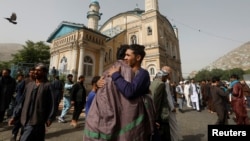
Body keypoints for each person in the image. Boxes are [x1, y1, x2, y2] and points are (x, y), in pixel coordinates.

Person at [84, 44, 154, 141]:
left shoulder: (142, 73)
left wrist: (115, 75)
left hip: (133, 119)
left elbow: (130, 91)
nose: (125, 58)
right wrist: (100, 82)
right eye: (125, 55)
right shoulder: (115, 72)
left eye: (128, 55)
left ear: (138, 57)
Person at [8, 63, 56, 141]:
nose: (36, 72)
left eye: (39, 71)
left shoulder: (48, 86)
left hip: (37, 119)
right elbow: (21, 102)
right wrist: (14, 116)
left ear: (44, 72)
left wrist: (50, 118)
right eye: (35, 70)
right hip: (24, 119)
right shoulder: (29, 85)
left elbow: (53, 104)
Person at [10, 68, 35, 141]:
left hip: (30, 105)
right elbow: (19, 91)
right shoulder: (25, 81)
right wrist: (20, 101)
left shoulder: (37, 82)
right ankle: (14, 134)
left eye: (34, 72)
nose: (33, 74)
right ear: (29, 73)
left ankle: (22, 135)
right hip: (21, 104)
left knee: (26, 122)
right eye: (31, 72)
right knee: (17, 121)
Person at [161, 66, 182, 141]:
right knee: (173, 126)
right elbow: (168, 97)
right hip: (168, 109)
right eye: (170, 73)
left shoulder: (163, 82)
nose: (171, 75)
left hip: (165, 108)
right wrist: (172, 107)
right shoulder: (165, 83)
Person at [150, 70, 171, 141]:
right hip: (162, 116)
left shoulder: (152, 83)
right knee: (165, 136)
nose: (166, 79)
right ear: (162, 77)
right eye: (165, 77)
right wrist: (156, 119)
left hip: (155, 114)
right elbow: (157, 102)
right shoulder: (161, 84)